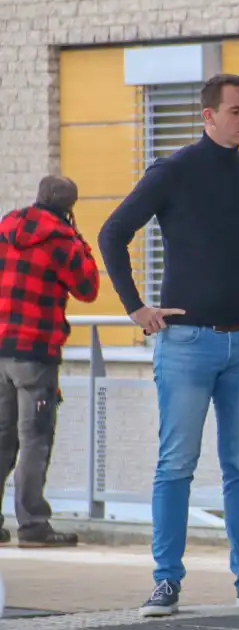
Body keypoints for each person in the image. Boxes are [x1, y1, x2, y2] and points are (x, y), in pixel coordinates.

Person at [98, 73, 239, 617]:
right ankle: (165, 582)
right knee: (176, 465)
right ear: (208, 115)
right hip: (186, 343)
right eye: (236, 110)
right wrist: (135, 309)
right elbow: (112, 233)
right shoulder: (174, 170)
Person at [0, 175, 98, 549]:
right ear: (69, 206)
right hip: (35, 355)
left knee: (2, 436)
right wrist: (82, 242)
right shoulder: (63, 241)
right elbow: (88, 288)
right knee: (35, 438)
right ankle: (33, 525)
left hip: (0, 347)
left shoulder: (6, 227)